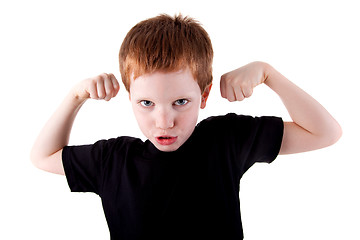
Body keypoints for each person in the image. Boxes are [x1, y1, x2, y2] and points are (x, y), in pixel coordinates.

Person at [30, 14, 342, 240]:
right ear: (130, 97)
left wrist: (269, 73)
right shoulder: (113, 159)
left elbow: (325, 133)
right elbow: (43, 157)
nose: (164, 121)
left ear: (204, 95)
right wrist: (75, 97)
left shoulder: (226, 140)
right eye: (147, 103)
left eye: (180, 101)